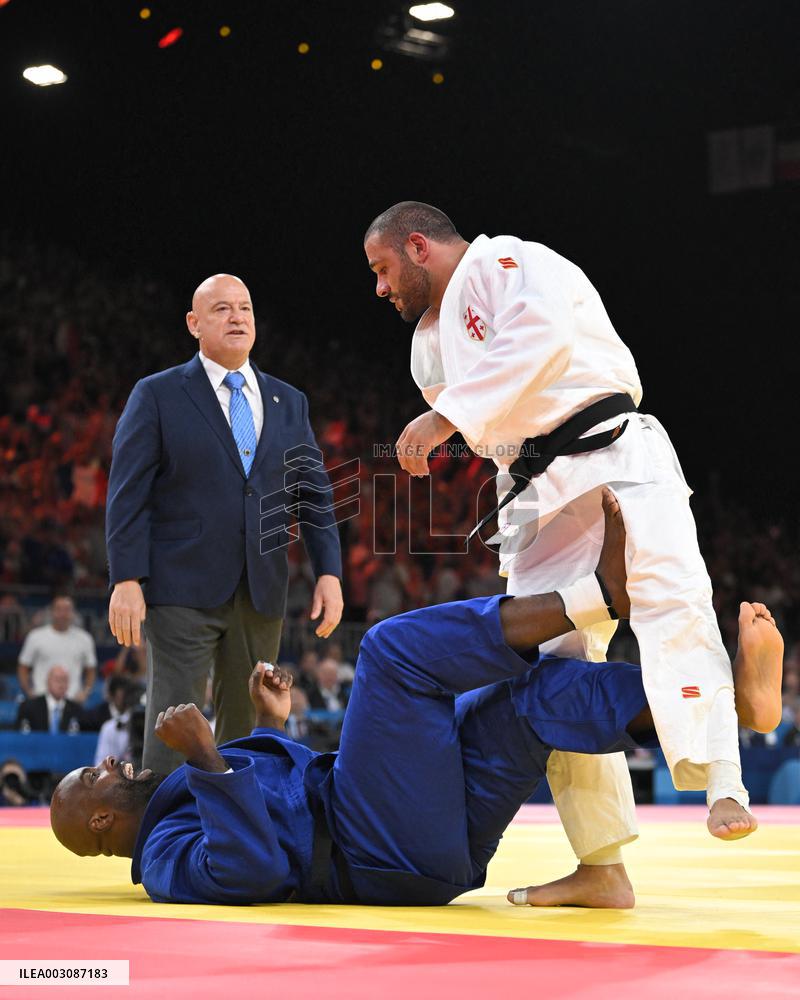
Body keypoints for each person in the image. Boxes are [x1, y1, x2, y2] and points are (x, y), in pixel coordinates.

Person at [50, 493, 784, 907]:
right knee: (392, 653)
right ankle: (597, 598)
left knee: (530, 695)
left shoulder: (174, 805)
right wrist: (208, 755)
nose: (106, 764)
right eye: (91, 780)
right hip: (377, 850)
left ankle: (724, 712)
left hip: (420, 844)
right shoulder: (165, 864)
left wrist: (274, 727)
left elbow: (273, 812)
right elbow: (248, 871)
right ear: (104, 819)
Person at [363, 202, 775, 872]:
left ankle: (725, 779)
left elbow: (542, 336)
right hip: (534, 485)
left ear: (417, 246)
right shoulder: (426, 346)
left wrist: (445, 419)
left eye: (382, 269)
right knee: (550, 661)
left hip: (611, 448)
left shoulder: (511, 261)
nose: (379, 288)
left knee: (670, 600)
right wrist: (471, 439)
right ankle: (601, 865)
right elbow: (490, 427)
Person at [105, 274, 344, 775]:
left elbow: (315, 492)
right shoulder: (157, 394)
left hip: (261, 591)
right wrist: (126, 578)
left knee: (250, 727)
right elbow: (128, 495)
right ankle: (162, 847)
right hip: (179, 588)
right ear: (194, 324)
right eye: (221, 309)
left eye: (245, 308)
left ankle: (239, 844)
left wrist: (329, 572)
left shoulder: (289, 401)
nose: (237, 317)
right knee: (174, 720)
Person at [17, 595, 96, 703]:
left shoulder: (85, 639)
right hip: (41, 699)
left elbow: (91, 669)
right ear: (51, 612)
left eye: (67, 610)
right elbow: (23, 667)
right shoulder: (35, 636)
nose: (63, 614)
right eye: (59, 609)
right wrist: (29, 691)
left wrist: (85, 692)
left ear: (73, 613)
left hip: (72, 700)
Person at [16, 665, 83, 734]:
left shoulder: (76, 710)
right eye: (57, 679)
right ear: (48, 682)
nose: (61, 684)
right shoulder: (29, 708)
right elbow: (21, 737)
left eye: (64, 680)